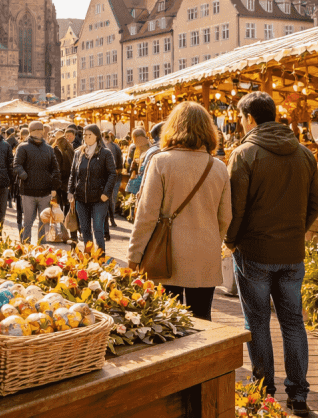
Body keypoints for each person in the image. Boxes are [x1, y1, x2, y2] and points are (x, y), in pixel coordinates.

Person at [225, 91, 318, 417]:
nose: (240, 123)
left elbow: (236, 208)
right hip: (292, 252)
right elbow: (316, 203)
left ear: (249, 118)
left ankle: (263, 389)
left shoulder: (244, 154)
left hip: (254, 251)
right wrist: (297, 230)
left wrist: (230, 240)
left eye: (241, 118)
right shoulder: (304, 153)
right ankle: (298, 394)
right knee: (293, 323)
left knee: (257, 321)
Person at [127, 102, 232, 322]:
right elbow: (225, 217)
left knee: (167, 322)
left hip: (166, 256)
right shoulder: (219, 167)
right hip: (205, 256)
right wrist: (214, 240)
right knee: (202, 320)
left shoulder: (161, 162)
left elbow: (146, 215)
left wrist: (134, 256)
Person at [67, 124, 116, 251]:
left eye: (90, 135)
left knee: (98, 229)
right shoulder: (78, 153)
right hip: (81, 198)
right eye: (85, 135)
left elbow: (112, 174)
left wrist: (106, 193)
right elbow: (73, 174)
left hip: (99, 198)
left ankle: (100, 256)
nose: (86, 137)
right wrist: (70, 191)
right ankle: (88, 256)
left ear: (97, 136)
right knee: (85, 229)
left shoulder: (105, 153)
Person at [13, 121, 60, 243]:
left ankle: (41, 245)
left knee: (44, 221)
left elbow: (55, 169)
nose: (39, 133)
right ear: (31, 132)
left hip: (45, 192)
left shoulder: (49, 149)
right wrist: (24, 176)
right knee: (28, 221)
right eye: (36, 130)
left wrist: (53, 186)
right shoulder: (23, 147)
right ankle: (26, 244)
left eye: (41, 130)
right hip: (27, 191)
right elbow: (17, 165)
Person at [102, 130, 124, 236]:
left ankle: (110, 220)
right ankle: (112, 220)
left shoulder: (104, 147)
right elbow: (120, 162)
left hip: (108, 177)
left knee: (108, 199)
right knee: (111, 198)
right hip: (113, 176)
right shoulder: (115, 147)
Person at [52, 133, 74, 217]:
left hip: (59, 179)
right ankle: (66, 217)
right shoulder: (71, 151)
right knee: (67, 201)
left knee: (58, 201)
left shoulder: (56, 151)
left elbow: (56, 166)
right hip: (68, 180)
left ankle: (60, 219)